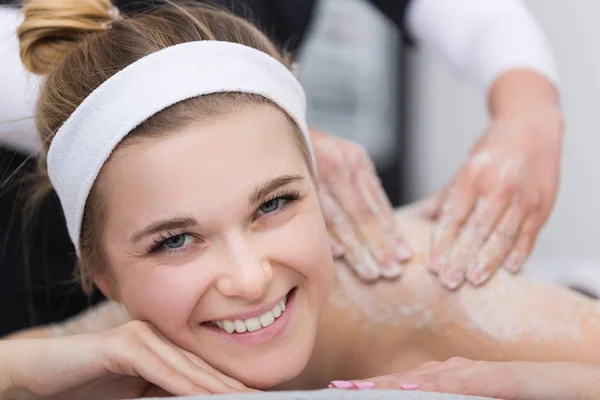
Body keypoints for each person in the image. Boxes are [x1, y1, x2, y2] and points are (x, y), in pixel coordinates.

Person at [1, 3, 597, 399]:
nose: (248, 278)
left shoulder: (416, 289)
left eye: (273, 204)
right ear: (102, 278)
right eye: (175, 239)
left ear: (322, 185)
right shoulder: (117, 352)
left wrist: (520, 381)